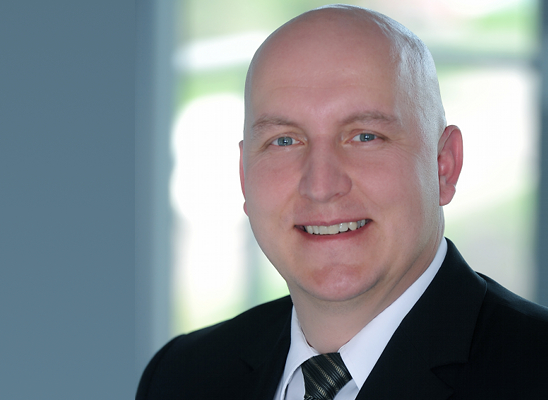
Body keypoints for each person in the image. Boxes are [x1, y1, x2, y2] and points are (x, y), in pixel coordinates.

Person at [137, 5, 548, 399]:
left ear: (444, 166)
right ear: (245, 178)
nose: (321, 185)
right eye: (284, 141)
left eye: (365, 136)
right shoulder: (182, 376)